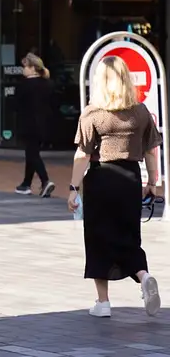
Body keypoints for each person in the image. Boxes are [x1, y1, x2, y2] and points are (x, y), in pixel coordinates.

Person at [68, 55, 164, 318]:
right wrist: (152, 183)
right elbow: (151, 151)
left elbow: (82, 154)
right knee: (128, 236)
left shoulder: (93, 114)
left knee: (99, 238)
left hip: (101, 180)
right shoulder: (141, 112)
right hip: (130, 179)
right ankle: (144, 277)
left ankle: (103, 302)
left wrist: (73, 188)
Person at [14, 53, 56, 197]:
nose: (23, 70)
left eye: (25, 66)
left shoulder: (24, 86)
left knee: (32, 154)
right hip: (45, 124)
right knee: (32, 153)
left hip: (28, 124)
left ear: (32, 68)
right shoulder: (48, 84)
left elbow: (17, 105)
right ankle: (26, 184)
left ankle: (45, 181)